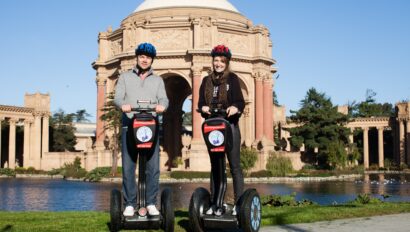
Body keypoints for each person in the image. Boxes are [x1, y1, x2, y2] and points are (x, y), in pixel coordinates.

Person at [114, 42, 168, 217]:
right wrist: (123, 105)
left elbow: (164, 99)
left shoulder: (158, 80)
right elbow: (117, 98)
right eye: (142, 57)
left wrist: (162, 106)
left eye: (148, 58)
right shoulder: (124, 77)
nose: (145, 60)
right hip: (129, 125)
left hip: (150, 126)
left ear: (152, 60)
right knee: (129, 166)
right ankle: (130, 203)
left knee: (153, 167)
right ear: (137, 57)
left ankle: (151, 202)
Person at [198, 45, 245, 216]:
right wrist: (203, 107)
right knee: (215, 166)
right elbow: (200, 102)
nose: (218, 63)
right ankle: (216, 202)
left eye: (222, 61)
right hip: (213, 128)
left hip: (230, 127)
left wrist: (234, 107)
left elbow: (240, 102)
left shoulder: (232, 79)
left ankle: (239, 203)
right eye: (216, 60)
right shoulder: (206, 81)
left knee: (234, 166)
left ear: (227, 63)